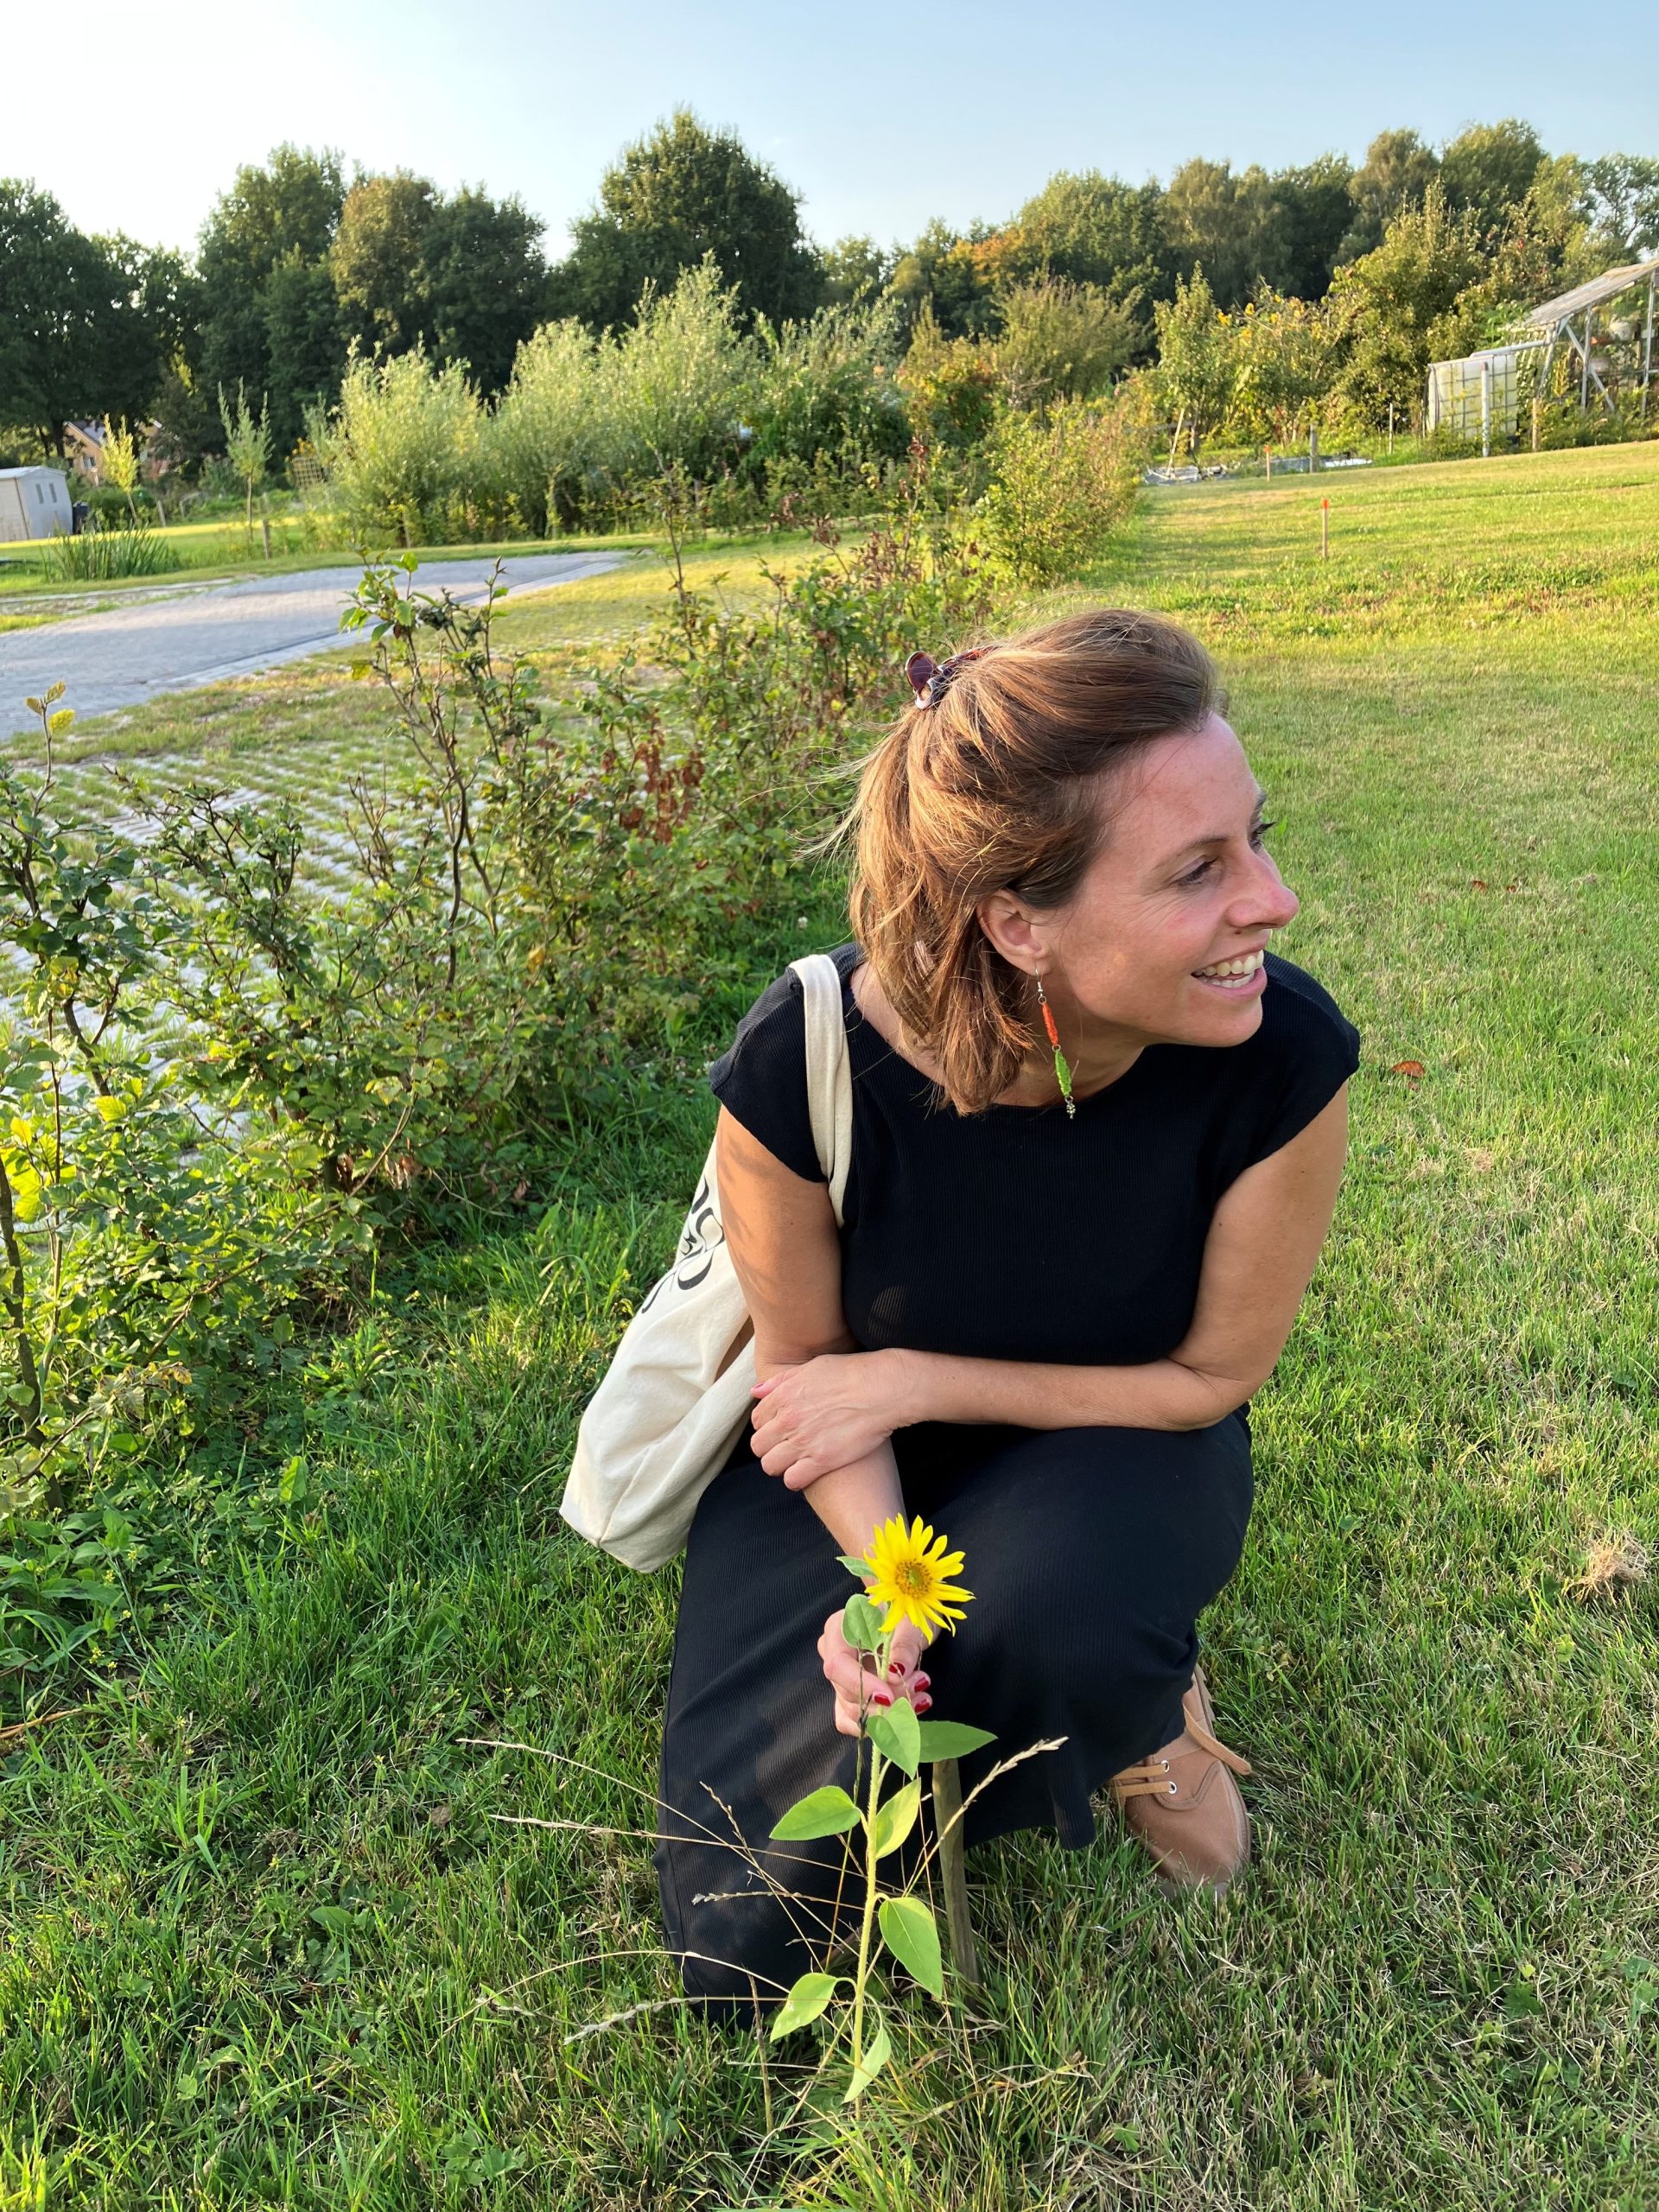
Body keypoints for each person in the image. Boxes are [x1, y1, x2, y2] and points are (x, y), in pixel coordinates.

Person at [652, 608, 1359, 2017]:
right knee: (741, 1953)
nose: (1273, 902)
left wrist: (918, 1376)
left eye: (1256, 840)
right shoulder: (803, 1058)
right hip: (848, 1464)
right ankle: (1012, 1678)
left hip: (1118, 1446)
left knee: (1065, 1612)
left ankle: (1141, 1701)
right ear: (1019, 923)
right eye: (1200, 870)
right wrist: (887, 1592)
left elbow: (1209, 1378)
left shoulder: (1281, 1058)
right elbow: (808, 1385)